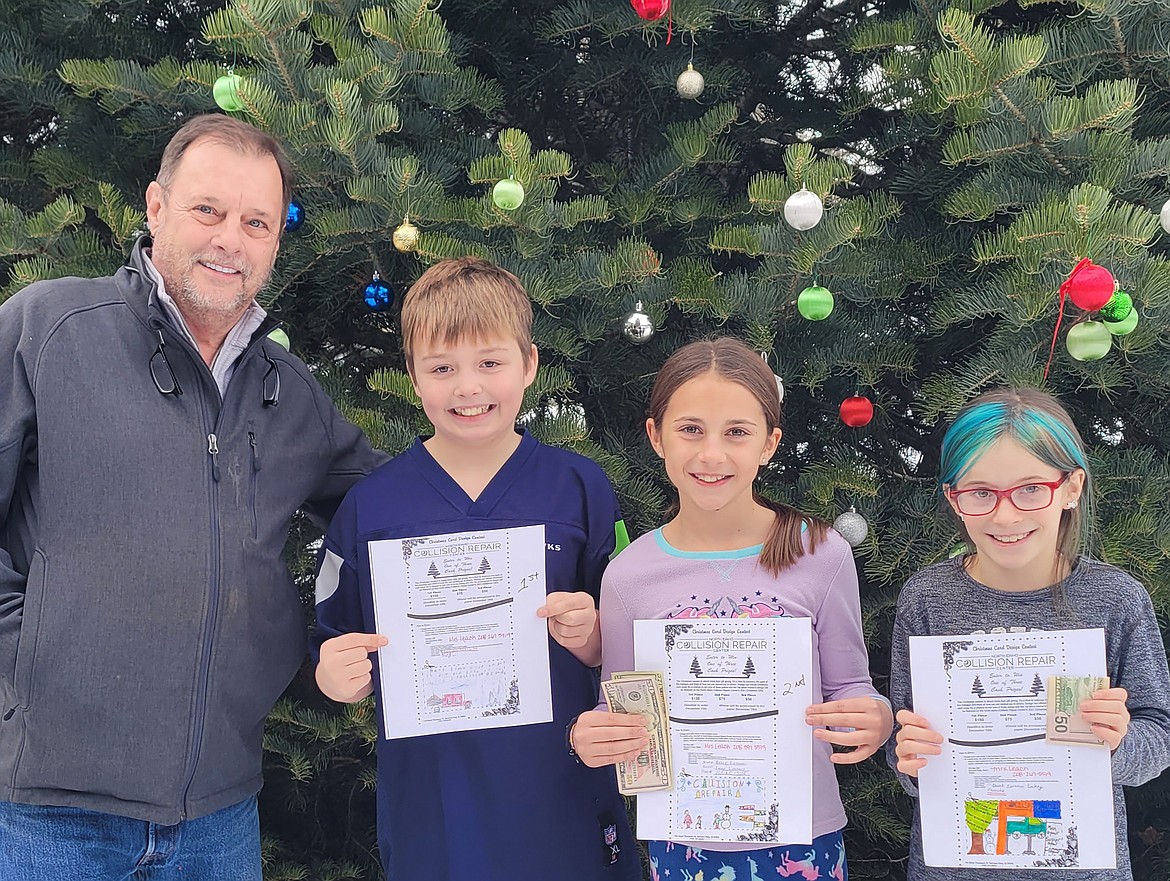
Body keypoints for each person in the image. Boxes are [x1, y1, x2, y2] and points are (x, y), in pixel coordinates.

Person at [0, 114, 384, 880]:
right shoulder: (49, 328)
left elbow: (397, 511)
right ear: (156, 207)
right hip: (48, 814)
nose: (229, 240)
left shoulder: (289, 394)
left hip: (218, 816)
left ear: (275, 241)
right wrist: (26, 652)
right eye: (208, 210)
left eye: (257, 222)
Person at [311, 256, 640, 881]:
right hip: (435, 805)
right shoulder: (370, 507)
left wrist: (593, 635)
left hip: (563, 793)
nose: (468, 387)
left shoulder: (579, 488)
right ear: (413, 377)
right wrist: (337, 676)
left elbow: (630, 645)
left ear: (530, 364)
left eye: (490, 363)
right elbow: (333, 645)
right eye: (443, 368)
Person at [570, 337, 893, 880]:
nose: (711, 454)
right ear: (656, 437)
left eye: (737, 433)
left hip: (802, 839)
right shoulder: (628, 575)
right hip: (682, 845)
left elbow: (851, 689)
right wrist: (594, 734)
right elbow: (624, 707)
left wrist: (876, 719)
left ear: (770, 444)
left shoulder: (823, 554)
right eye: (690, 429)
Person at [889, 387, 1170, 880]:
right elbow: (906, 737)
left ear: (1071, 487)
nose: (1005, 515)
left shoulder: (1115, 599)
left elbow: (1158, 735)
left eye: (1030, 489)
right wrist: (909, 758)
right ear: (953, 499)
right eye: (980, 493)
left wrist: (1120, 742)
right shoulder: (926, 598)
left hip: (1081, 869)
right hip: (953, 867)